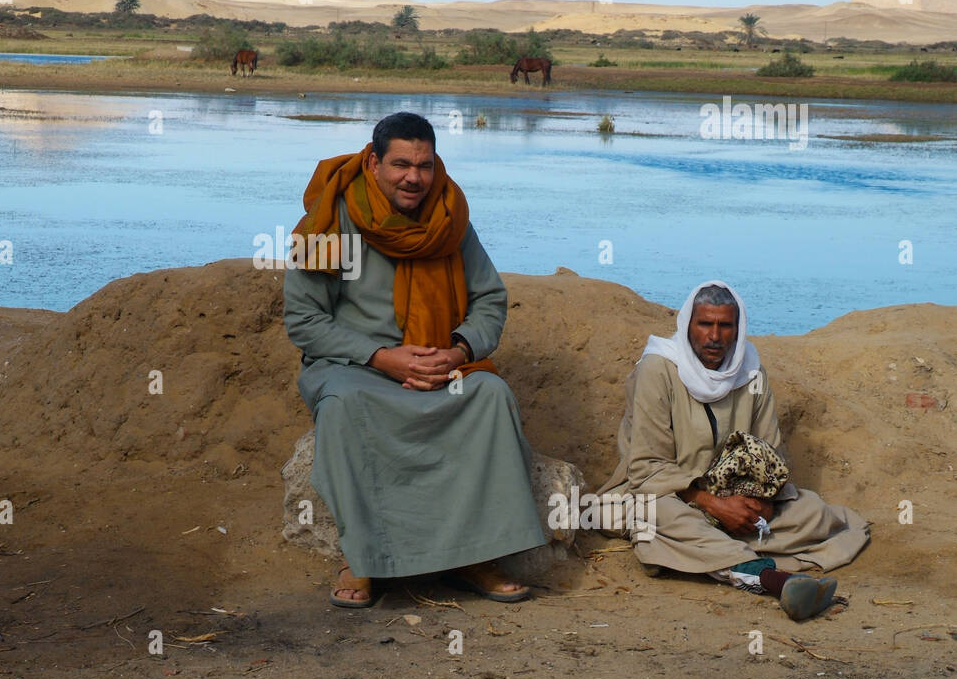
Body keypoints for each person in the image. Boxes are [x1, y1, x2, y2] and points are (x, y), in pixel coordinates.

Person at [282, 111, 548, 608]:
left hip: (435, 364)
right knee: (342, 407)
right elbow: (304, 321)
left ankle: (475, 555)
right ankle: (360, 559)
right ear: (374, 161)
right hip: (355, 368)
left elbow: (489, 300)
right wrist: (382, 357)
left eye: (424, 166)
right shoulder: (329, 220)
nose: (414, 177)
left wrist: (458, 350)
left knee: (490, 395)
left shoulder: (448, 219)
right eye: (401, 164)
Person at [598, 281, 870, 620]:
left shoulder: (751, 373)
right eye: (705, 324)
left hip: (734, 500)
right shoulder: (658, 370)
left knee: (815, 512)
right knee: (657, 517)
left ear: (737, 330)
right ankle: (770, 578)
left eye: (725, 326)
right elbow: (645, 468)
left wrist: (762, 502)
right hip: (666, 494)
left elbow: (768, 455)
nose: (714, 336)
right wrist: (711, 502)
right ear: (687, 325)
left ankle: (702, 553)